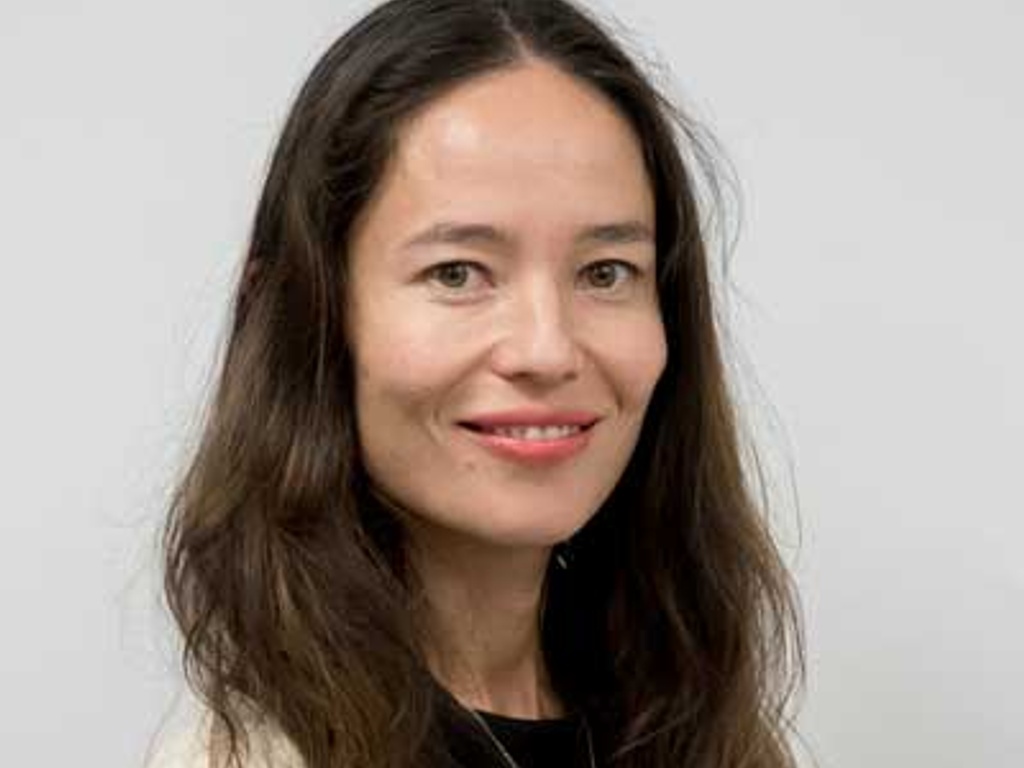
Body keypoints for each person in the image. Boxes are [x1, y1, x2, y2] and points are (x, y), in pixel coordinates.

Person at [148, 0, 805, 766]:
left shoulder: (719, 736)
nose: (547, 349)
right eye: (457, 273)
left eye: (605, 272)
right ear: (305, 320)